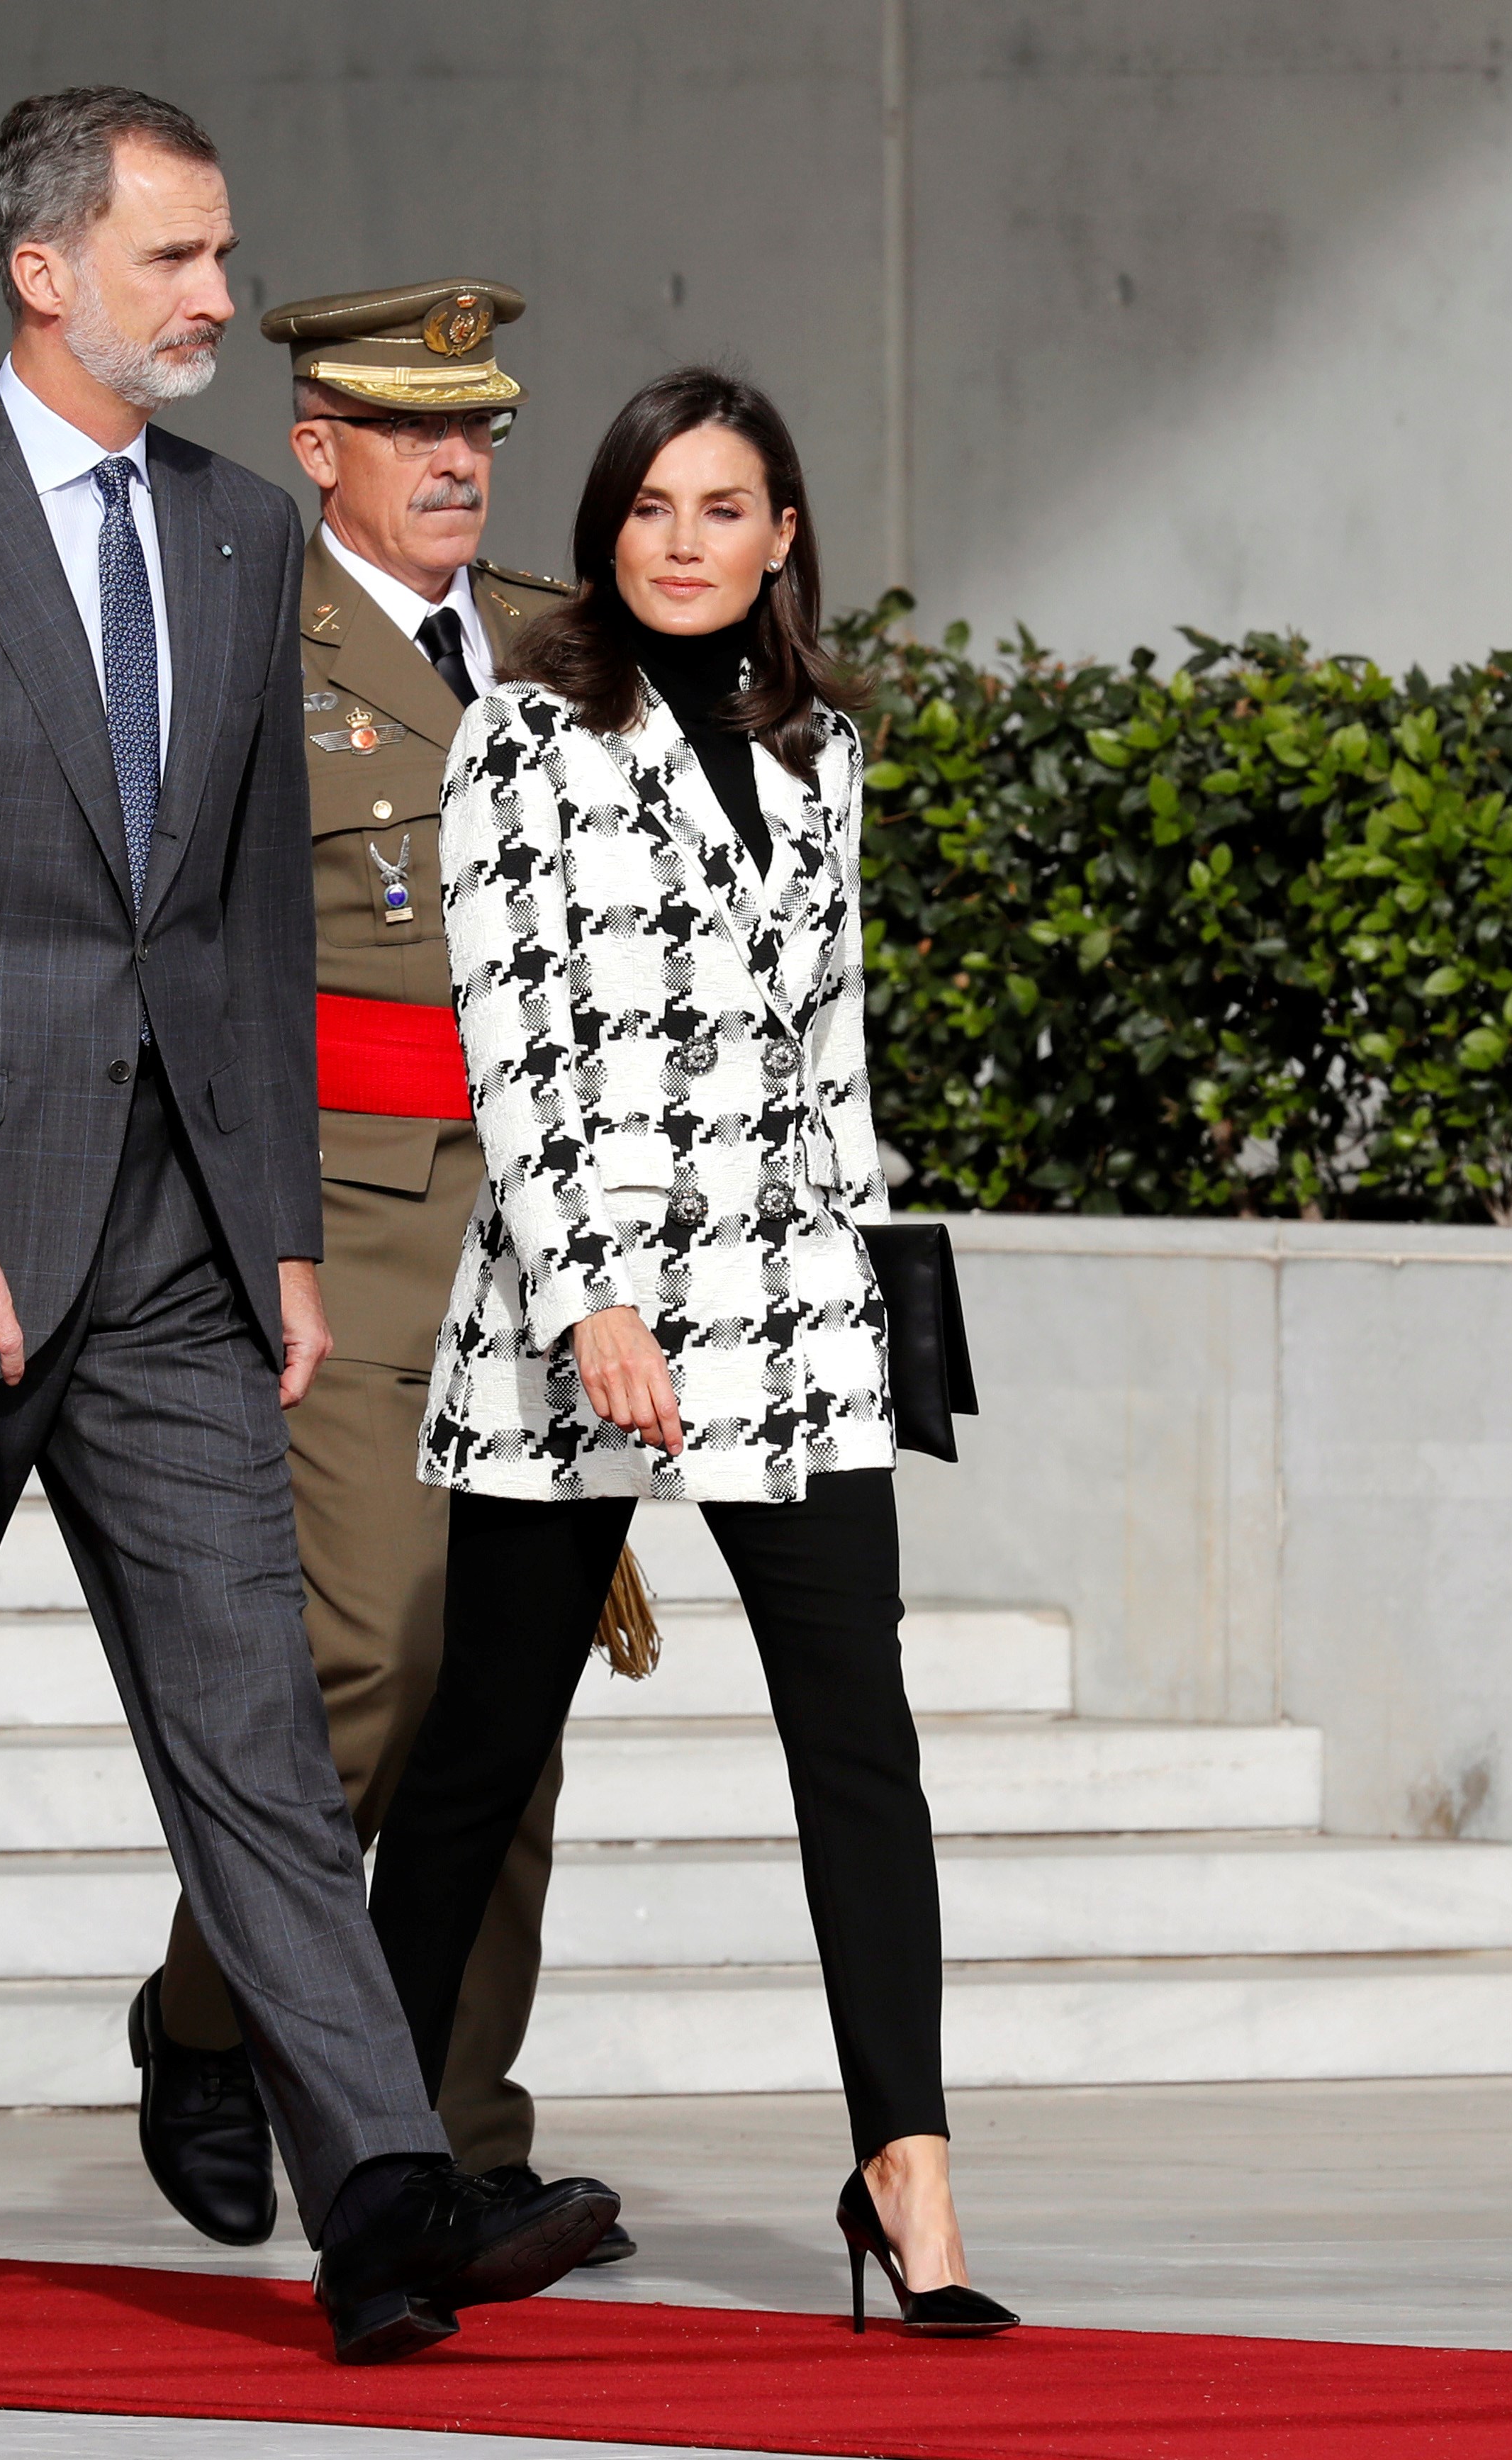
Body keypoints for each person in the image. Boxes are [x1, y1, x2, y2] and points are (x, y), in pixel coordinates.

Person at [0, 85, 611, 2367]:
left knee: (260, 1742)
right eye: (181, 261)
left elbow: (229, 930)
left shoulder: (231, 540)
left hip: (186, 1263)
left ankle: (380, 2189)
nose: (220, 298)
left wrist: (285, 1232)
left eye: (221, 258)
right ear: (46, 271)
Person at [369, 368, 1017, 2337]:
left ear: (783, 536)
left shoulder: (821, 755)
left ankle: (906, 2172)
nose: (680, 538)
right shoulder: (527, 736)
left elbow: (833, 1055)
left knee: (861, 1754)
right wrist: (586, 1300)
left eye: (723, 507)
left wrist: (888, 1284)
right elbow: (517, 1042)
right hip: (586, 1305)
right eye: (650, 503)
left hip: (794, 1301)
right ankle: (380, 2175)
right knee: (481, 1748)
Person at [125, 276, 628, 2268]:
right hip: (350, 1203)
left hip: (543, 1225)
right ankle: (207, 2008)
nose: (456, 463)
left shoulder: (553, 645)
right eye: (413, 432)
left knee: (510, 1698)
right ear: (315, 445)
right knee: (374, 1658)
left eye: (480, 431)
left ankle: (457, 2134)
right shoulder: (253, 633)